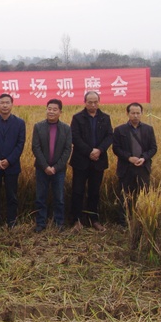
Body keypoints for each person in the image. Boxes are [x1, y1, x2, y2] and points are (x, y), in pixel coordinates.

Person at [69, 91, 113, 232]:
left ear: (99, 102)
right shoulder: (77, 118)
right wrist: (89, 151)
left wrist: (99, 150)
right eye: (90, 102)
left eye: (95, 102)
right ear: (85, 102)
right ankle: (76, 220)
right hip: (81, 160)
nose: (93, 104)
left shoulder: (105, 118)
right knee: (78, 191)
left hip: (98, 161)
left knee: (94, 191)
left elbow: (109, 136)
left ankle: (94, 219)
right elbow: (75, 137)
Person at [0, 93, 26, 231]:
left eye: (7, 102)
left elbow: (20, 144)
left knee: (12, 195)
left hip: (12, 166)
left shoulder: (19, 123)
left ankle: (11, 222)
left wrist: (9, 160)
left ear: (12, 104)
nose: (5, 105)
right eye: (2, 103)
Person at [112, 102, 157, 226]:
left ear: (142, 113)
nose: (135, 115)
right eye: (133, 113)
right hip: (126, 168)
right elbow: (116, 148)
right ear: (127, 113)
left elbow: (153, 148)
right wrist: (129, 158)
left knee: (143, 195)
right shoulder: (120, 130)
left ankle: (141, 221)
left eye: (138, 113)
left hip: (143, 168)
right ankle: (123, 223)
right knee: (125, 196)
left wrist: (144, 158)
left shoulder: (148, 129)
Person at [31, 98, 72, 232]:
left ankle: (59, 223)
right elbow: (36, 147)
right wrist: (45, 167)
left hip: (58, 170)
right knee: (40, 197)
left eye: (55, 109)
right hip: (42, 169)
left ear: (60, 112)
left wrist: (55, 167)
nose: (51, 112)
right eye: (49, 109)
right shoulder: (38, 127)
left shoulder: (66, 128)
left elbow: (67, 150)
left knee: (59, 197)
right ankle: (40, 223)